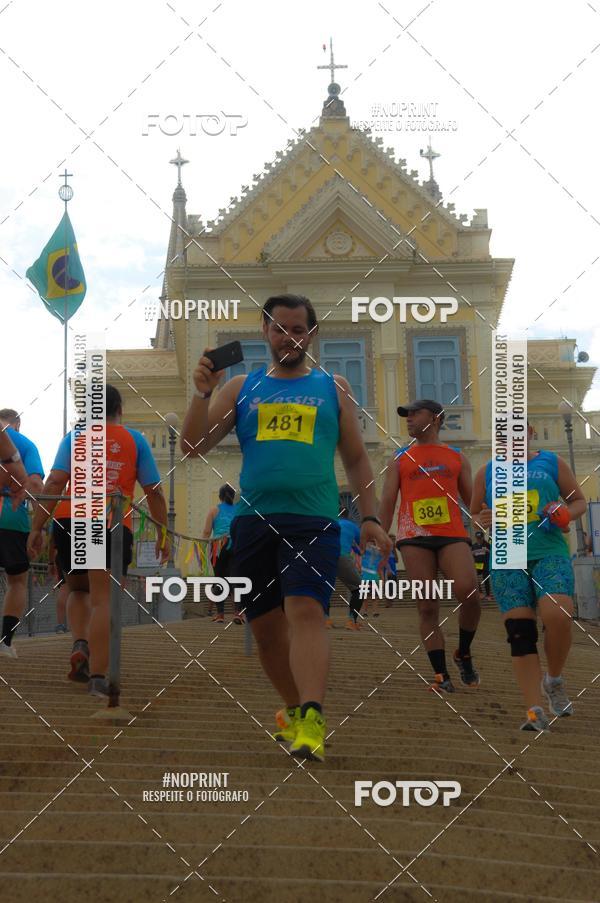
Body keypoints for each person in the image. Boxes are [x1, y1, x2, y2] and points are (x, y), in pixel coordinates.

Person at [181, 293, 391, 762]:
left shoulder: (332, 387)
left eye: (298, 330)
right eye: (280, 329)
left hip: (314, 520)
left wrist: (372, 517)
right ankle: (295, 710)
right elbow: (192, 447)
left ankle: (313, 716)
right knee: (266, 630)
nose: (289, 337)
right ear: (265, 331)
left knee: (305, 610)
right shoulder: (241, 387)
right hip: (254, 522)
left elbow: (356, 457)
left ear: (311, 334)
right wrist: (201, 394)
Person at [27, 385, 169, 695]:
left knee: (77, 588)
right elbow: (154, 491)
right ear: (120, 410)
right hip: (110, 522)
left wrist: (37, 527)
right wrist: (162, 533)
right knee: (104, 599)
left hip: (70, 520)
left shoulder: (74, 438)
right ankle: (99, 677)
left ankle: (80, 644)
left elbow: (54, 482)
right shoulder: (134, 440)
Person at [471, 422, 586, 732]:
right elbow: (475, 515)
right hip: (508, 558)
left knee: (558, 614)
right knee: (520, 632)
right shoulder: (487, 472)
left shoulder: (551, 462)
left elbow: (579, 501)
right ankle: (534, 711)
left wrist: (564, 514)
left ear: (530, 432)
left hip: (549, 551)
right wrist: (483, 520)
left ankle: (554, 679)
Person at [378, 400, 481, 692]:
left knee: (470, 593)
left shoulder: (456, 457)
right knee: (427, 607)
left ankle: (463, 652)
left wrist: (485, 523)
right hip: (414, 537)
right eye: (406, 415)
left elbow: (471, 503)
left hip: (452, 534)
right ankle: (441, 675)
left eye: (414, 414)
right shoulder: (399, 458)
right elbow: (387, 501)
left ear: (435, 418)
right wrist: (381, 534)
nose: (408, 419)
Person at [0, 409, 44, 659]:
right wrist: (40, 528)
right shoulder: (26, 444)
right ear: (18, 423)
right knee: (16, 582)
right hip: (12, 520)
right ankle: (5, 644)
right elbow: (37, 485)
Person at [201, 484, 242, 624]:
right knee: (236, 579)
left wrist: (203, 547)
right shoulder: (239, 510)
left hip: (218, 546)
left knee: (219, 579)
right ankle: (238, 613)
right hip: (236, 546)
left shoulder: (214, 510)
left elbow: (206, 532)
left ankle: (220, 615)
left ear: (220, 497)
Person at [334, 505, 362, 631]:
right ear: (348, 515)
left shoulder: (332, 523)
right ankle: (352, 620)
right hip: (342, 557)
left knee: (324, 589)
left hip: (325, 557)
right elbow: (360, 544)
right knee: (359, 589)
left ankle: (325, 619)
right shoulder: (353, 526)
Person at [471, 531, 492, 601]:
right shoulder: (473, 546)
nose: (479, 539)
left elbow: (492, 553)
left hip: (485, 564)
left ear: (483, 537)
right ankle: (480, 593)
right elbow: (470, 554)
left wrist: (488, 550)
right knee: (474, 578)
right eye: (477, 538)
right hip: (477, 565)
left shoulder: (487, 544)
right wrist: (472, 553)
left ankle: (488, 595)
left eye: (480, 538)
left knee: (486, 579)